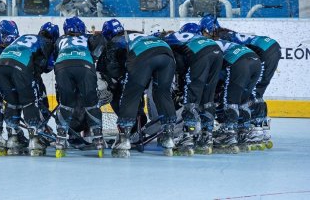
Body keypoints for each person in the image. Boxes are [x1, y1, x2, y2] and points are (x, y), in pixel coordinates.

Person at [200, 15, 280, 149]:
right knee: (255, 93)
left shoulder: (220, 38)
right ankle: (262, 129)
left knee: (251, 95)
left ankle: (256, 131)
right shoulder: (225, 33)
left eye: (203, 32)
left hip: (264, 51)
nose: (203, 35)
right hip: (270, 48)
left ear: (208, 29)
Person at [102, 19, 177, 158]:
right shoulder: (137, 34)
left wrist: (117, 80)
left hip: (144, 55)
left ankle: (124, 141)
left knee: (131, 94)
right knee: (163, 94)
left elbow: (112, 68)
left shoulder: (115, 41)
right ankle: (169, 138)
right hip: (166, 53)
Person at [0, 22, 58, 156]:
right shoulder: (48, 42)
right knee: (30, 101)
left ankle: (13, 138)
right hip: (21, 65)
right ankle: (35, 139)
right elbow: (46, 66)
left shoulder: (25, 37)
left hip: (1, 64)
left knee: (12, 103)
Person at [162, 23, 223, 155]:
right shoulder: (200, 38)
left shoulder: (175, 37)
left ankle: (188, 137)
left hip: (201, 54)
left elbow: (179, 64)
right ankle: (207, 136)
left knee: (192, 95)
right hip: (217, 51)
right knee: (208, 96)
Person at [53, 17, 104, 158]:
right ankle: (98, 137)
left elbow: (54, 57)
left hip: (63, 66)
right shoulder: (87, 37)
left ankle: (60, 139)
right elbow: (99, 45)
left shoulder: (59, 40)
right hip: (84, 65)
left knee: (66, 104)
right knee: (91, 103)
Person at [213, 39, 262, 153]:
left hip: (239, 61)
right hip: (256, 62)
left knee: (230, 100)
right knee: (243, 101)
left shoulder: (210, 45)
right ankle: (243, 132)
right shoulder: (221, 42)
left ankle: (229, 134)